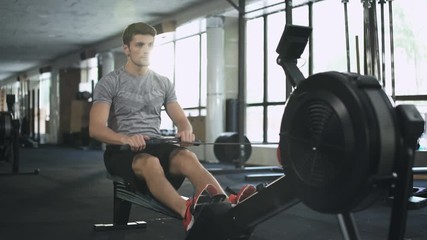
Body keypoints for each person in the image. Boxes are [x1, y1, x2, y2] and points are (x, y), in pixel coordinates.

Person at [89, 22, 256, 234]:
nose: (146, 50)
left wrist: (185, 130)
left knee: (187, 157)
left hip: (154, 143)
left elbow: (180, 118)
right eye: (139, 45)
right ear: (126, 49)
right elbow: (95, 129)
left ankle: (226, 205)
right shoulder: (110, 82)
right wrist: (125, 138)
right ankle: (186, 214)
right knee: (150, 163)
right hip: (120, 151)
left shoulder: (163, 82)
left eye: (150, 45)